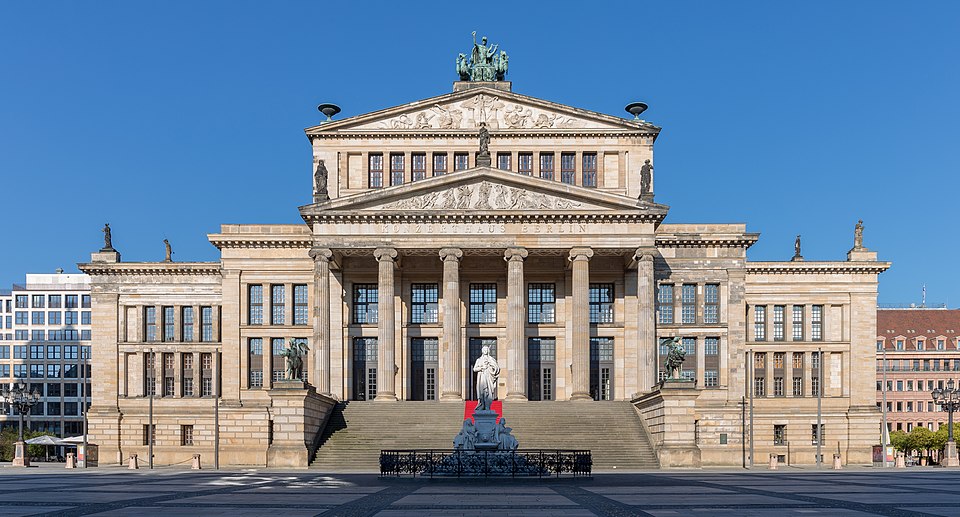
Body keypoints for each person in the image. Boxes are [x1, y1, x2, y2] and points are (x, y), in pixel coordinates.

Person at [473, 345, 499, 410]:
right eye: (484, 350)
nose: (485, 351)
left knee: (489, 392)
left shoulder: (491, 359)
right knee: (482, 392)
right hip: (482, 377)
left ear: (488, 351)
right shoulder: (479, 360)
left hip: (489, 377)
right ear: (482, 351)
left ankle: (487, 406)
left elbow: (496, 368)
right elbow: (474, 369)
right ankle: (482, 405)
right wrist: (482, 368)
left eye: (486, 349)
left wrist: (490, 364)